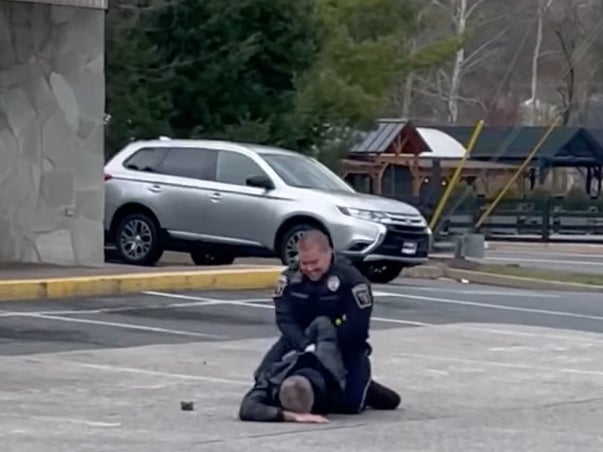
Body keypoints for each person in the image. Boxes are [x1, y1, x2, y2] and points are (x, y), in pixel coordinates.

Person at [255, 229, 400, 414]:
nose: (309, 268)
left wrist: (327, 348)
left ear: (329, 252)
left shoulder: (352, 279)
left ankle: (365, 386)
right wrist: (306, 346)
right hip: (301, 339)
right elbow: (285, 319)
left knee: (350, 406)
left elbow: (358, 327)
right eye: (304, 263)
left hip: (343, 343)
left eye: (315, 262)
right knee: (262, 380)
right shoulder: (290, 278)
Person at [239, 316, 347, 423]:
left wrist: (307, 344)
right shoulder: (331, 374)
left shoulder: (269, 381)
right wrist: (304, 344)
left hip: (300, 362)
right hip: (290, 365)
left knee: (261, 374)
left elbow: (248, 408)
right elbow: (322, 322)